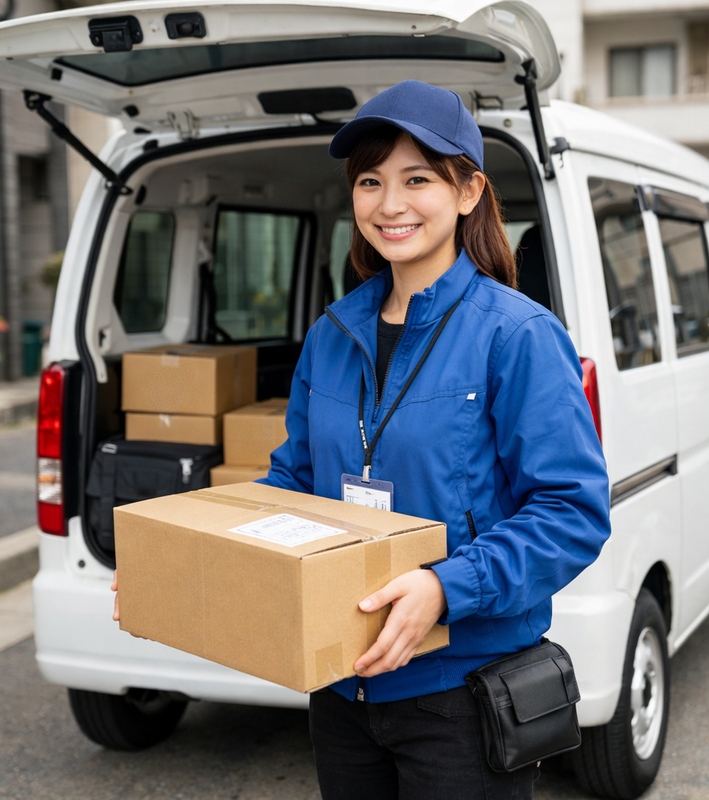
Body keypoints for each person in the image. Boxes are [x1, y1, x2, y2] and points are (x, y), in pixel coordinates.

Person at [258, 81, 611, 799]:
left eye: (417, 179)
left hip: (463, 696)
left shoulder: (517, 336)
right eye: (370, 181)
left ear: (469, 190)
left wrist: (445, 588)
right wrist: (194, 561)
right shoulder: (330, 337)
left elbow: (572, 513)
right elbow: (293, 482)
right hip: (342, 685)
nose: (390, 205)